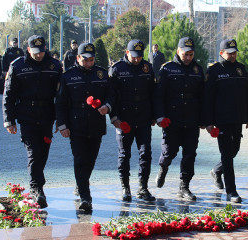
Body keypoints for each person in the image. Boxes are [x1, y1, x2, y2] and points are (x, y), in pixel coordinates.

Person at [2, 35, 62, 208]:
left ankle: (37, 182)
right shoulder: (17, 66)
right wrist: (9, 120)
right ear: (28, 50)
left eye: (41, 52)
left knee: (43, 151)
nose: (39, 55)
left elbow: (61, 96)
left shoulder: (55, 65)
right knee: (33, 151)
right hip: (26, 115)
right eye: (35, 52)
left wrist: (60, 119)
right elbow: (9, 95)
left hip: (46, 115)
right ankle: (36, 188)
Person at [56, 43, 114, 211]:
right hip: (76, 124)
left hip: (96, 123)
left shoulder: (102, 74)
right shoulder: (68, 76)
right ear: (78, 58)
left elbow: (111, 94)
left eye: (92, 59)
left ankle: (81, 183)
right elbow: (60, 103)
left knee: (91, 160)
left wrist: (107, 106)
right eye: (85, 60)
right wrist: (62, 125)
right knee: (80, 160)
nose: (89, 63)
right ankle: (85, 196)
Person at [203, 39, 248, 203]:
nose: (233, 55)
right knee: (226, 154)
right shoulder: (214, 71)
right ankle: (231, 191)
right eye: (229, 53)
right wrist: (209, 122)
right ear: (221, 53)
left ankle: (217, 171)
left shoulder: (241, 69)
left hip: (238, 118)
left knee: (234, 150)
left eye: (234, 52)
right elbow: (208, 99)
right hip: (222, 120)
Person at [154, 37, 204, 201]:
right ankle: (163, 167)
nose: (188, 57)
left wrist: (205, 119)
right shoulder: (167, 69)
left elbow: (203, 97)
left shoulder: (197, 70)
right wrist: (160, 116)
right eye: (185, 54)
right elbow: (159, 95)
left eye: (191, 54)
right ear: (178, 51)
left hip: (192, 118)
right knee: (170, 151)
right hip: (172, 118)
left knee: (190, 154)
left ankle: (184, 187)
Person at [109, 40, 156, 202]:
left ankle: (143, 187)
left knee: (146, 154)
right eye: (134, 56)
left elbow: (153, 93)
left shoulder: (148, 68)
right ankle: (125, 187)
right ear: (127, 52)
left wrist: (154, 115)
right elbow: (111, 96)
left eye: (140, 56)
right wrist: (114, 117)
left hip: (143, 117)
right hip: (124, 119)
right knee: (124, 154)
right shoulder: (117, 69)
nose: (137, 59)